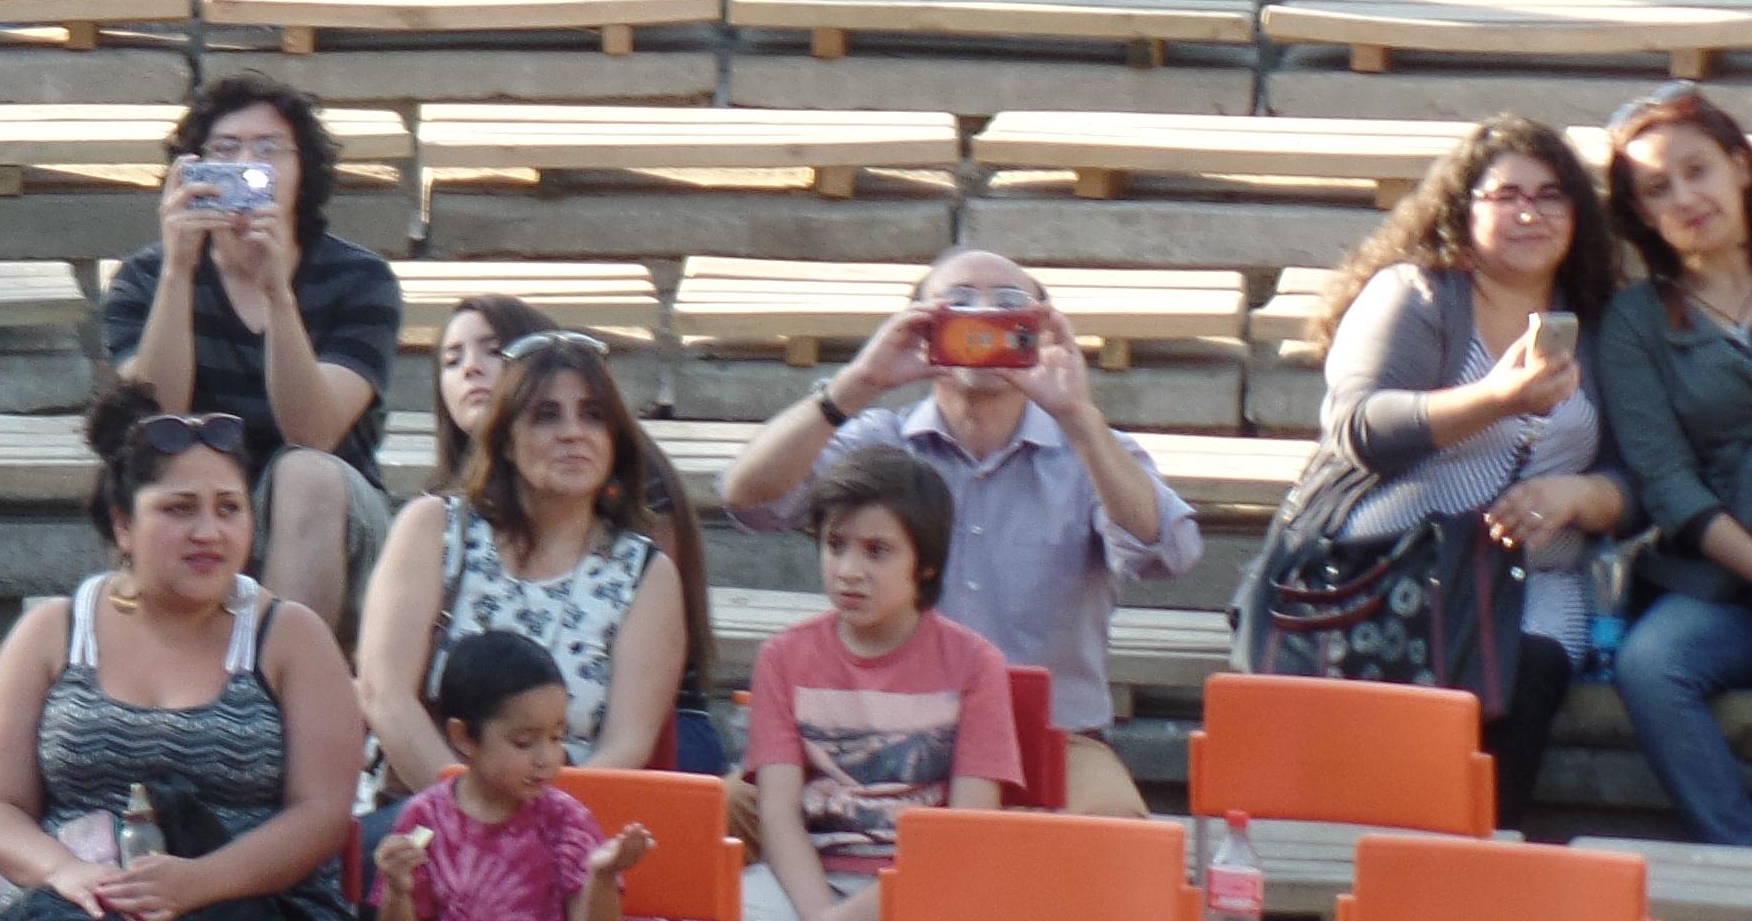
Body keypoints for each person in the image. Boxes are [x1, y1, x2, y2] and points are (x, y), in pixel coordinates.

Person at [715, 250, 1197, 816]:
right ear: (919, 326)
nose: (984, 315)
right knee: (725, 809)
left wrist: (1080, 417)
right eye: (958, 302)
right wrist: (859, 381)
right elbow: (749, 498)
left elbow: (1170, 549)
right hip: (875, 725)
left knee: (1116, 836)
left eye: (1009, 305)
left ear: (1038, 330)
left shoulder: (1089, 450)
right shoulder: (879, 439)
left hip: (1047, 736)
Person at [1272, 121, 1619, 829]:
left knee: (1527, 680)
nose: (1531, 212)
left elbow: (1643, 477)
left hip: (1535, 576)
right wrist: (1499, 397)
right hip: (1397, 563)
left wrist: (1584, 495)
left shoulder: (1603, 319)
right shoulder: (1417, 294)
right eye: (1507, 195)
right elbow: (1360, 428)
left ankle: (1479, 873)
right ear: (1463, 209)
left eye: (1552, 195)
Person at [0, 386, 370, 921]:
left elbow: (322, 814)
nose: (208, 532)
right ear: (123, 525)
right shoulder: (52, 633)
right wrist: (65, 872)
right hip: (83, 898)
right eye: (179, 509)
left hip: (251, 900)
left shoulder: (291, 637)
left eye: (229, 509)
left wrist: (202, 882)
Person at [1592, 86, 1752, 850]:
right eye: (1658, 188)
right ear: (1640, 214)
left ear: (1740, 167)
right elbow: (1667, 483)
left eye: (1698, 170)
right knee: (1651, 666)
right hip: (1725, 580)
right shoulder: (1635, 323)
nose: (1685, 197)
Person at [97, 74, 405, 633]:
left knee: (304, 474)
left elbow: (313, 432)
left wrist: (277, 293)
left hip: (334, 514)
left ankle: (279, 687)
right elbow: (152, 418)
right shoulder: (144, 279)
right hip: (203, 496)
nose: (247, 165)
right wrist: (178, 271)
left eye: (269, 151)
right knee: (166, 486)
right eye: (225, 151)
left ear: (302, 171)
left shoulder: (360, 279)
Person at [352, 327, 693, 785]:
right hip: (421, 808)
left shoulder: (645, 574)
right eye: (546, 416)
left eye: (593, 416)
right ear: (506, 441)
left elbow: (626, 745)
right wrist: (468, 815)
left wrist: (537, 828)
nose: (573, 433)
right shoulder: (432, 528)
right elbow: (383, 695)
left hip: (565, 821)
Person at [731, 448, 1015, 921]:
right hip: (810, 880)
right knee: (735, 904)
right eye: (836, 544)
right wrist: (821, 913)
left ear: (925, 563)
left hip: (929, 886)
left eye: (877, 550)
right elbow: (778, 817)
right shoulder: (783, 658)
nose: (848, 571)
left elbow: (967, 832)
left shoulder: (975, 665)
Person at [375, 631, 645, 921]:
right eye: (524, 742)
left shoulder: (565, 821)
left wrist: (602, 876)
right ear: (464, 736)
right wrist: (397, 890)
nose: (546, 759)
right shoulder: (426, 818)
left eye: (556, 737)